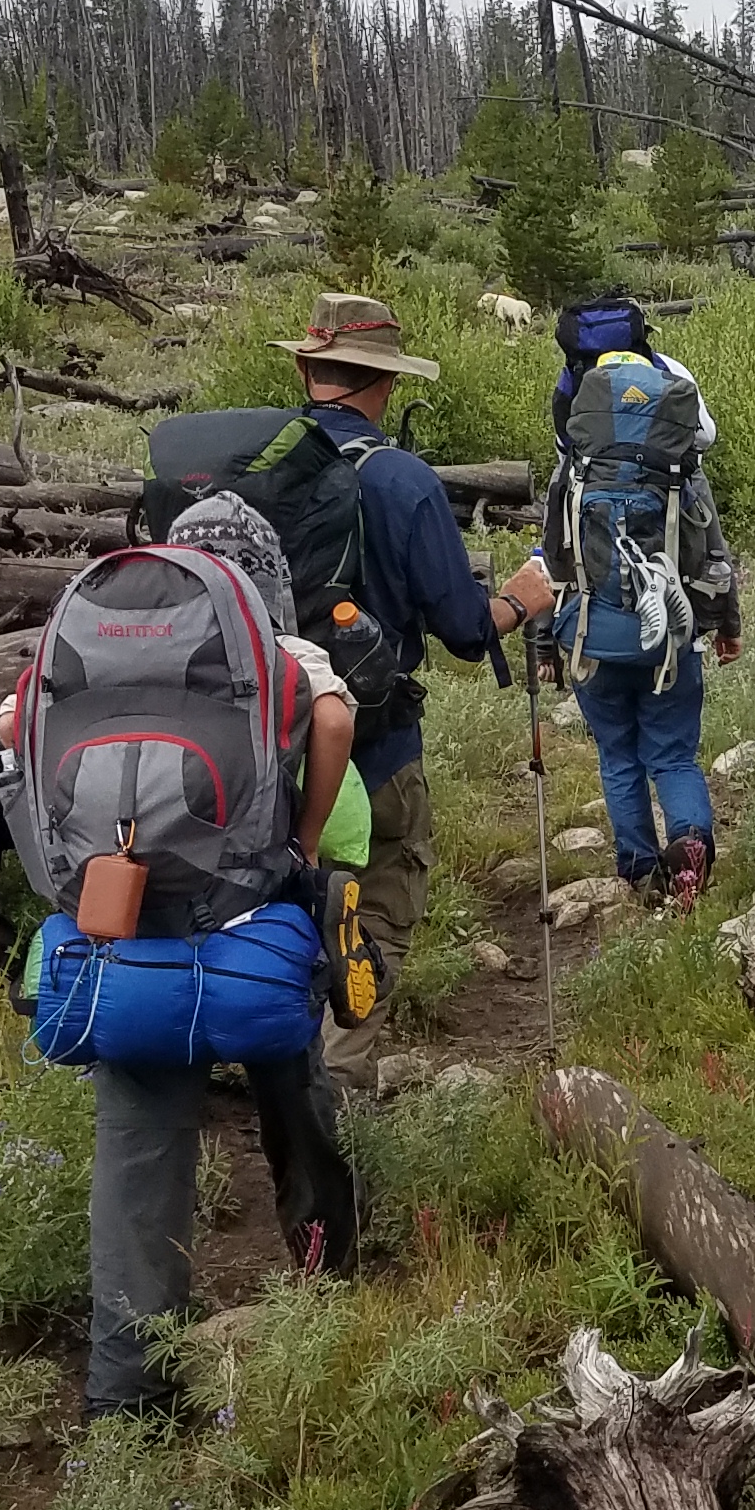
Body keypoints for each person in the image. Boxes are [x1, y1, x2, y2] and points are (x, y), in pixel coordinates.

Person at [2, 498, 366, 1420]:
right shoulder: (274, 645)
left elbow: (14, 724)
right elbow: (332, 721)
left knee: (136, 1153)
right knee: (295, 1094)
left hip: (122, 923)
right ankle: (325, 1271)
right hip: (249, 921)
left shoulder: (95, 636)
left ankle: (128, 1394)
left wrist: (62, 861)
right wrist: (307, 839)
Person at [273, 294, 554, 1054]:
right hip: (373, 751)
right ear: (386, 383)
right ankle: (344, 1115)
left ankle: (284, 1086)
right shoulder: (402, 480)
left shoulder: (254, 469)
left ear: (305, 366)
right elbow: (463, 630)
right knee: (372, 923)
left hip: (260, 749)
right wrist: (517, 603)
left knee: (276, 916)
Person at [540, 298, 742, 905]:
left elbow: (554, 561)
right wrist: (725, 622)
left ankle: (638, 871)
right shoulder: (682, 472)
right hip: (670, 638)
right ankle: (691, 841)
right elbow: (712, 552)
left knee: (618, 756)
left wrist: (549, 644)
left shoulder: (573, 473)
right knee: (674, 754)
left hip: (592, 637)